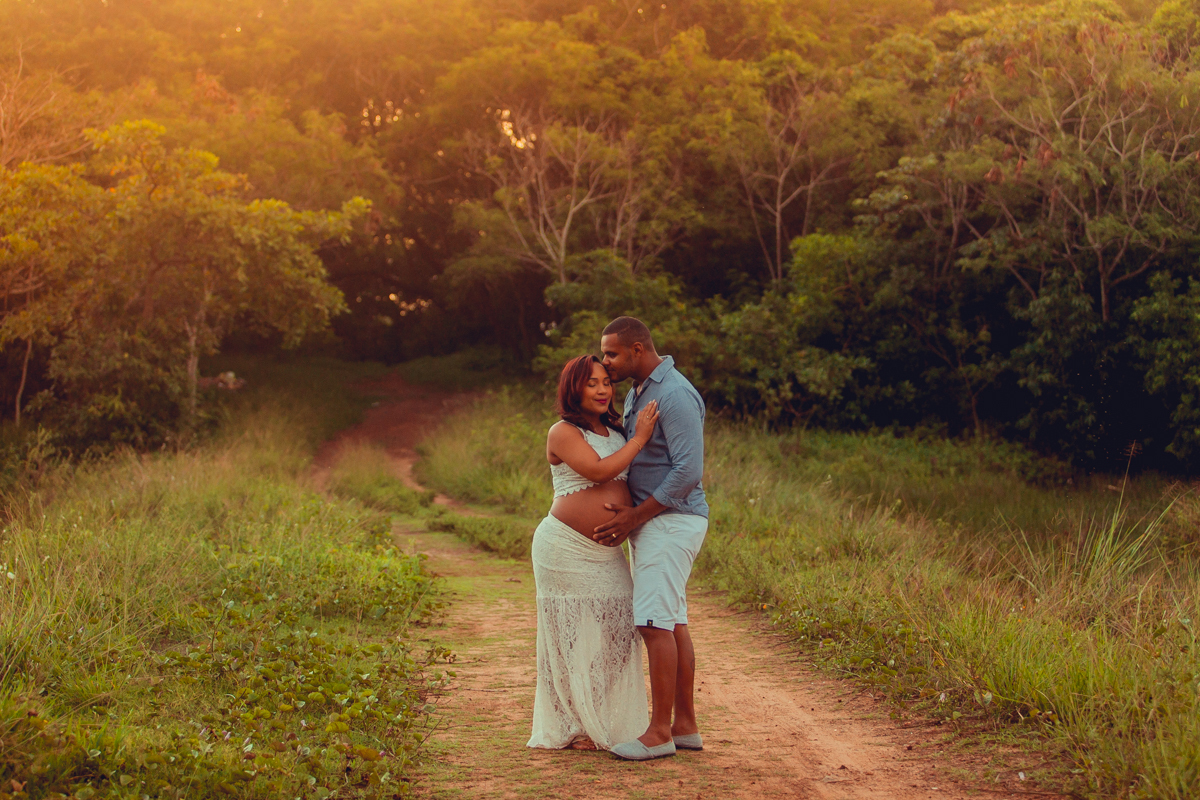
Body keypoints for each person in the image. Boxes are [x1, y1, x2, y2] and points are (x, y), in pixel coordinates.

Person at [527, 354, 660, 751]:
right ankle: (576, 725)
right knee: (570, 637)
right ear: (574, 388)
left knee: (621, 631)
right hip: (564, 547)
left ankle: (596, 715)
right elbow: (599, 472)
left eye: (607, 382)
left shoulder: (615, 429)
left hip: (605, 554)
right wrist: (640, 438)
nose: (603, 390)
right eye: (592, 383)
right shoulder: (562, 432)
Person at [594, 316, 709, 762]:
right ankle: (685, 727)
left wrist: (635, 516)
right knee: (672, 620)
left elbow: (688, 471)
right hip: (656, 523)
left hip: (672, 521)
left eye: (612, 354)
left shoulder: (675, 393)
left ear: (638, 349)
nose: (607, 361)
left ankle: (659, 733)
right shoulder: (638, 391)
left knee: (652, 622)